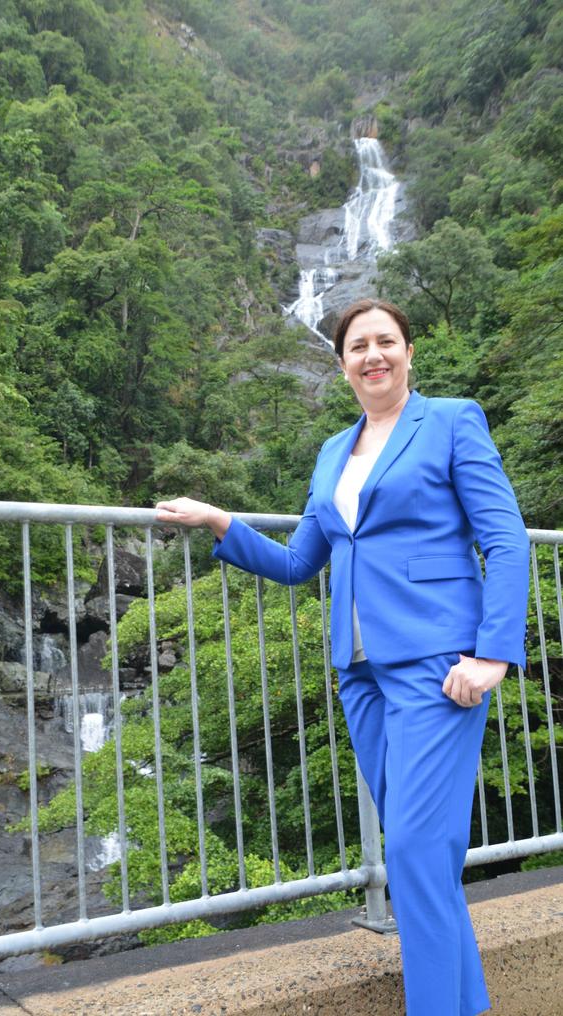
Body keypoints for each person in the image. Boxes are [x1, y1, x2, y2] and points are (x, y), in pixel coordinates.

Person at [155, 298, 530, 1016]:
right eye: (358, 346)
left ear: (409, 353)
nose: (373, 355)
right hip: (361, 673)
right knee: (427, 865)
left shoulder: (452, 420)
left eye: (386, 341)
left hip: (439, 665)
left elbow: (507, 541)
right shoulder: (333, 452)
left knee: (417, 854)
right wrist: (219, 521)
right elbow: (301, 561)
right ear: (342, 365)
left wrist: (493, 656)